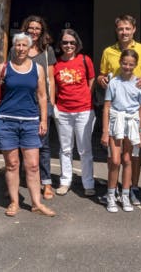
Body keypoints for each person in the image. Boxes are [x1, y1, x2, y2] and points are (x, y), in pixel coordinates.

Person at [0, 32, 55, 217]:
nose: (20, 49)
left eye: (24, 46)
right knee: (12, 164)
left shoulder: (37, 69)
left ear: (30, 48)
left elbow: (42, 96)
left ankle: (36, 203)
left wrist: (43, 119)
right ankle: (14, 202)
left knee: (33, 165)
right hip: (6, 121)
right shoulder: (4, 67)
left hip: (30, 122)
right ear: (13, 46)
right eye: (18, 45)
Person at [97, 14, 141, 205]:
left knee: (132, 157)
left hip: (134, 113)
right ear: (116, 30)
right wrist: (101, 79)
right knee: (114, 157)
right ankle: (111, 191)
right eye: (121, 28)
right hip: (115, 111)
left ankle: (132, 190)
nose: (124, 32)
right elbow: (102, 75)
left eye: (127, 28)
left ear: (134, 29)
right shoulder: (108, 51)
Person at [101, 49, 141, 213]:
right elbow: (107, 107)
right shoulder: (113, 82)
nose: (127, 67)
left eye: (131, 64)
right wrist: (105, 131)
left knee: (127, 159)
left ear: (135, 65)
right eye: (125, 63)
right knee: (115, 160)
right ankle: (111, 194)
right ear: (120, 62)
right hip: (116, 122)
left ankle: (125, 194)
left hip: (132, 124)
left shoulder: (140, 83)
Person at [53, 29, 96, 197]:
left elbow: (92, 79)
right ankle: (65, 181)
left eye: (72, 42)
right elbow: (54, 87)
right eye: (65, 42)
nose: (68, 45)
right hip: (63, 111)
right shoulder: (56, 64)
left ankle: (88, 183)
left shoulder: (85, 60)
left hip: (84, 110)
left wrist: (86, 96)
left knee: (85, 149)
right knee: (65, 149)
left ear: (77, 43)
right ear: (60, 44)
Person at [20, 15, 56, 200]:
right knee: (21, 144)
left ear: (41, 32)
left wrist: (52, 103)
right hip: (21, 103)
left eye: (37, 29)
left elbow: (51, 79)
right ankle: (18, 181)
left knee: (43, 144)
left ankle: (46, 183)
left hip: (42, 102)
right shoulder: (18, 48)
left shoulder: (47, 51)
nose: (34, 32)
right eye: (31, 28)